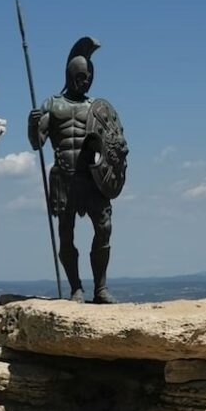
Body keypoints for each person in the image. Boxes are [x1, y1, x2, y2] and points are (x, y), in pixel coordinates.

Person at [27, 37, 128, 304]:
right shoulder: (53, 105)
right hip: (64, 177)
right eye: (81, 76)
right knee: (66, 233)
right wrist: (32, 124)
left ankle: (101, 288)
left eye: (89, 77)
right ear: (71, 75)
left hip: (92, 178)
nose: (85, 82)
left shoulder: (95, 108)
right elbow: (37, 143)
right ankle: (76, 288)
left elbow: (115, 144)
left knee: (104, 228)